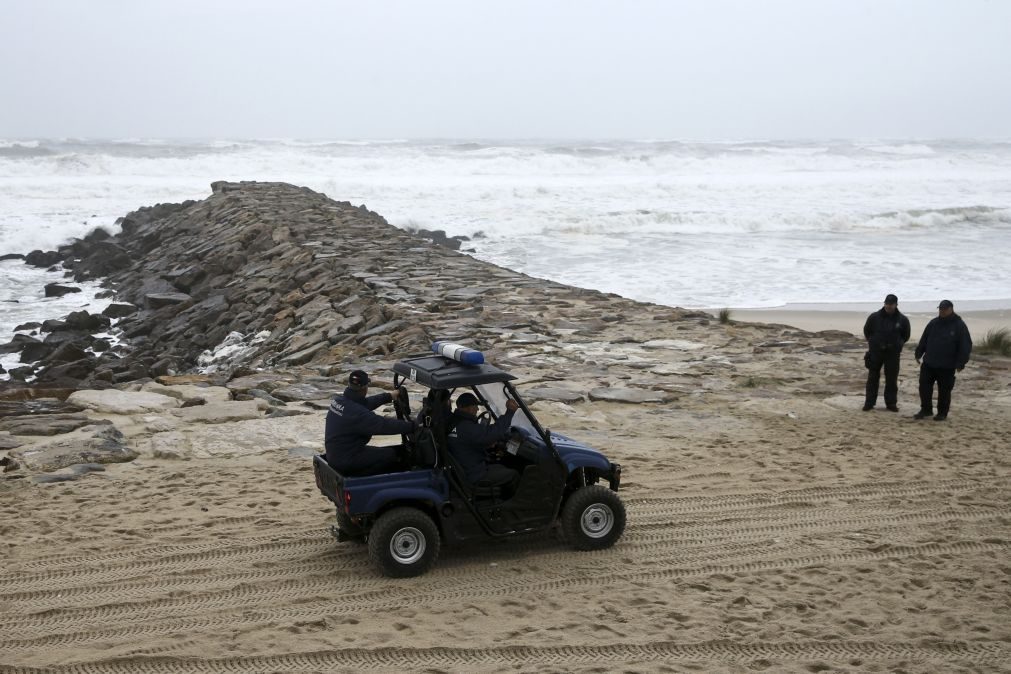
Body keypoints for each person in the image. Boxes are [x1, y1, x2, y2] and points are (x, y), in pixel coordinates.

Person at [324, 369, 415, 475]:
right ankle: (359, 479)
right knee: (389, 455)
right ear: (364, 388)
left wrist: (390, 396)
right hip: (346, 459)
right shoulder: (357, 414)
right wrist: (413, 426)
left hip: (336, 454)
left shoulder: (339, 400)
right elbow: (383, 425)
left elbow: (366, 403)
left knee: (384, 451)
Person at [446, 392, 520, 492]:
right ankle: (506, 505)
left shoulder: (454, 422)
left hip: (465, 468)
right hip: (475, 475)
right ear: (468, 407)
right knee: (514, 474)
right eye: (475, 406)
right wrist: (509, 412)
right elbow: (493, 434)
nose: (477, 409)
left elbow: (470, 440)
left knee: (499, 465)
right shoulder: (466, 427)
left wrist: (486, 442)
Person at [913, 300, 972, 421]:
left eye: (944, 309)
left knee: (944, 391)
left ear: (951, 309)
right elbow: (924, 339)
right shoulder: (933, 323)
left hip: (947, 365)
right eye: (940, 309)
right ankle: (926, 409)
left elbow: (965, 345)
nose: (942, 311)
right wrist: (919, 353)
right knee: (924, 387)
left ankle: (942, 412)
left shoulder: (959, 325)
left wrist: (961, 362)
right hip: (929, 362)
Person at [862, 293, 911, 412]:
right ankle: (869, 403)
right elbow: (867, 331)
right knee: (873, 377)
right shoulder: (874, 317)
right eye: (887, 304)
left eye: (891, 304)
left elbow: (906, 336)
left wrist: (897, 344)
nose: (888, 306)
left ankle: (891, 403)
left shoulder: (903, 320)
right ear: (884, 303)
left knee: (891, 379)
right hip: (876, 352)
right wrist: (874, 342)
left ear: (896, 305)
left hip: (892, 354)